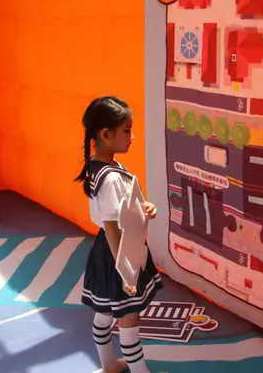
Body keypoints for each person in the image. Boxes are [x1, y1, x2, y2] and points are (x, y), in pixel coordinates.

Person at [75, 96, 162, 373]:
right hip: (120, 251)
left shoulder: (101, 167)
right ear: (105, 134)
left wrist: (144, 206)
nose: (131, 136)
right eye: (126, 130)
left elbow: (123, 207)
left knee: (104, 312)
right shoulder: (111, 177)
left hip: (106, 251)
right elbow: (113, 226)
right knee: (128, 318)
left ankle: (109, 364)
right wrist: (126, 271)